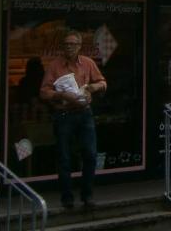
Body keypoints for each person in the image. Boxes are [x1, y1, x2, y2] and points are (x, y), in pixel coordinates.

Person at [39, 30, 107, 209]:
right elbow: (44, 92)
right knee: (64, 157)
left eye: (72, 44)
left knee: (90, 155)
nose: (69, 47)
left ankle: (87, 195)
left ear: (79, 46)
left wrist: (93, 87)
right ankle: (67, 197)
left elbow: (103, 82)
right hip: (64, 115)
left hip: (84, 113)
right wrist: (62, 94)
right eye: (66, 44)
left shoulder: (88, 63)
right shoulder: (55, 66)